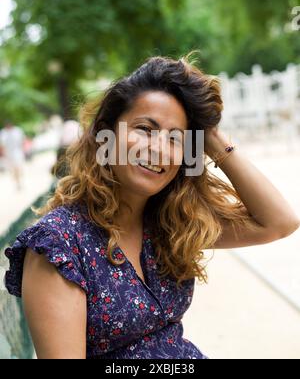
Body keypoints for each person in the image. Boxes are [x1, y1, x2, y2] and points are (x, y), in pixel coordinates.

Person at [4, 53, 300, 359]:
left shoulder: (169, 223)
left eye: (175, 139)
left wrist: (209, 133)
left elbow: (279, 222)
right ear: (105, 134)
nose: (158, 149)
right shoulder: (60, 244)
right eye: (145, 129)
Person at [0, 122, 25, 190]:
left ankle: (18, 181)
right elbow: (2, 145)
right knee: (13, 170)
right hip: (8, 154)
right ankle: (17, 182)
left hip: (17, 152)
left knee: (18, 168)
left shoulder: (17, 131)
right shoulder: (3, 133)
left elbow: (22, 141)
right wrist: (3, 154)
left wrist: (23, 150)